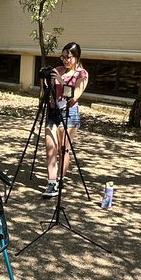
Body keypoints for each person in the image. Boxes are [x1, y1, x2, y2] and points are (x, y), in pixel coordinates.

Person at [42, 42, 89, 198]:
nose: (65, 60)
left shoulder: (82, 74)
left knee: (63, 150)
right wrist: (46, 81)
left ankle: (60, 179)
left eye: (68, 57)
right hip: (53, 112)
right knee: (50, 149)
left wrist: (61, 81)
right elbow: (47, 91)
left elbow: (74, 97)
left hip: (69, 113)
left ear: (76, 57)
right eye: (63, 57)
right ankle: (51, 183)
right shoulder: (58, 70)